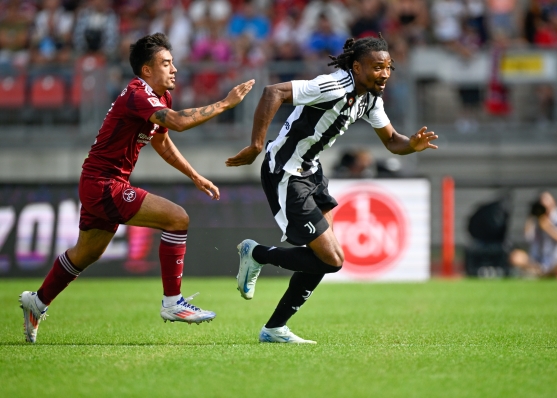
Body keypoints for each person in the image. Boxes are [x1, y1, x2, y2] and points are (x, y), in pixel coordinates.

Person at [18, 33, 255, 344]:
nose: (174, 69)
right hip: (104, 183)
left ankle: (37, 302)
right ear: (146, 70)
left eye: (173, 63)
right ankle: (173, 303)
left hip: (99, 182)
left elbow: (161, 139)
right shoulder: (137, 95)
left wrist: (194, 176)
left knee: (85, 254)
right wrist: (225, 103)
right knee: (177, 218)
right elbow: (179, 123)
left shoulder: (159, 98)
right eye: (166, 63)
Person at [225, 33, 439, 344]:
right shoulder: (333, 85)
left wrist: (413, 145)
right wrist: (257, 144)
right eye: (378, 67)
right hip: (285, 171)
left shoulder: (369, 99)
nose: (385, 74)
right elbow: (274, 91)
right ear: (357, 67)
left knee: (324, 259)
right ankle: (256, 253)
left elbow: (392, 140)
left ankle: (274, 328)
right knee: (332, 259)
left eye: (389, 67)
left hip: (311, 171)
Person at [509, 191, 557, 280]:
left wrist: (547, 227)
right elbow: (527, 238)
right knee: (515, 256)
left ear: (554, 202)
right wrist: (531, 216)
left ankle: (544, 274)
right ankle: (547, 274)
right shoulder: (536, 219)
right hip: (538, 262)